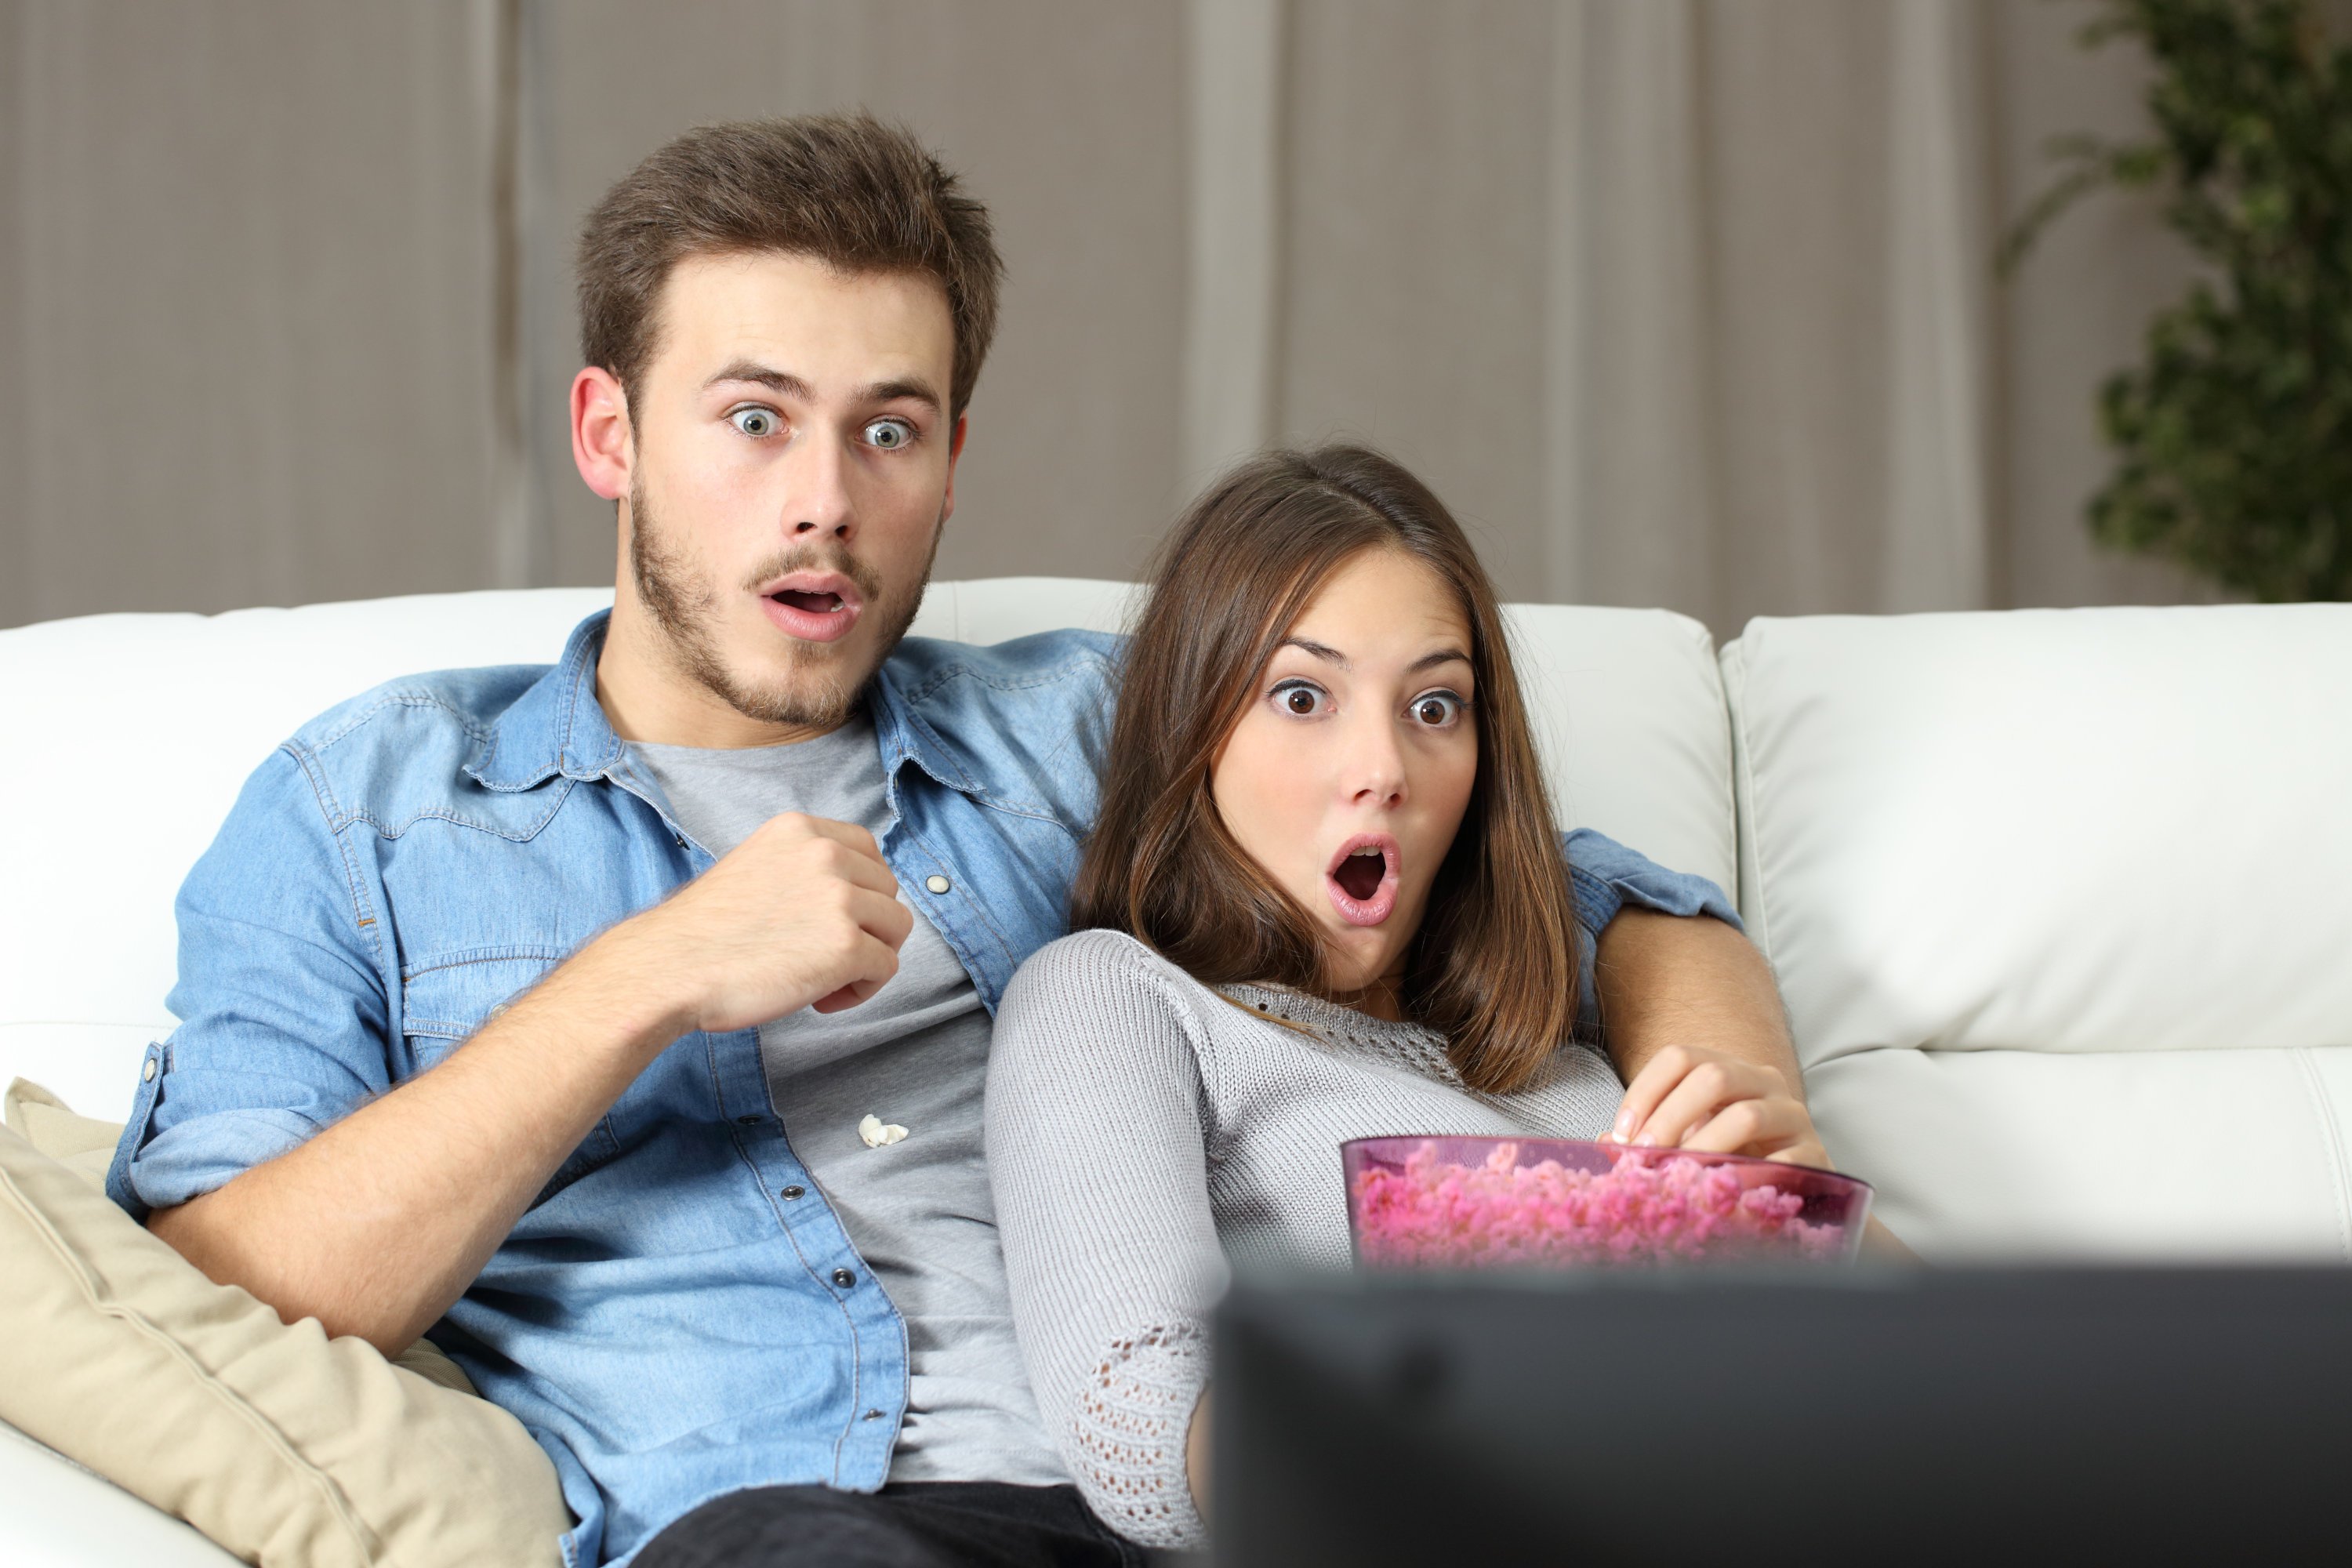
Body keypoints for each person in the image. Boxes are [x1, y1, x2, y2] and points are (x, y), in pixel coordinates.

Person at [104, 116, 1816, 1566]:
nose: (824, 499)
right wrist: (639, 981)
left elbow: (1588, 895)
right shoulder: (374, 805)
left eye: (890, 429)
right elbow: (222, 1284)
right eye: (755, 417)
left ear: (951, 457)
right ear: (609, 435)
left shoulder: (1079, 728)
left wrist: (1729, 1130)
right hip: (787, 1523)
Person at [986, 445, 1853, 1552]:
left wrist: (1805, 1208)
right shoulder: (1114, 996)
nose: (1383, 765)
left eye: (1435, 706)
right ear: (1194, 735)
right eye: (1302, 696)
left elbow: (1946, 1392)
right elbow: (1133, 1418)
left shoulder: (1563, 1053)